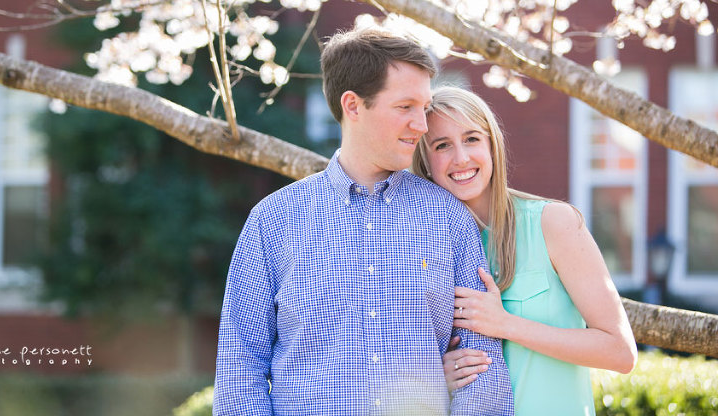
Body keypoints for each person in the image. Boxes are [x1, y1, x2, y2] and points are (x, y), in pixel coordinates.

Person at [213, 28, 514, 415]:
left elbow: (481, 362)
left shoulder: (449, 219)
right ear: (353, 106)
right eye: (406, 107)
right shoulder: (273, 221)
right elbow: (240, 368)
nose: (422, 125)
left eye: (424, 108)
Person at [412, 86, 638, 415]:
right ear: (426, 161)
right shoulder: (424, 250)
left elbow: (620, 353)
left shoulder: (554, 224)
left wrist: (505, 324)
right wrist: (437, 377)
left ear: (492, 146)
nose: (460, 157)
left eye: (472, 139)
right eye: (442, 145)